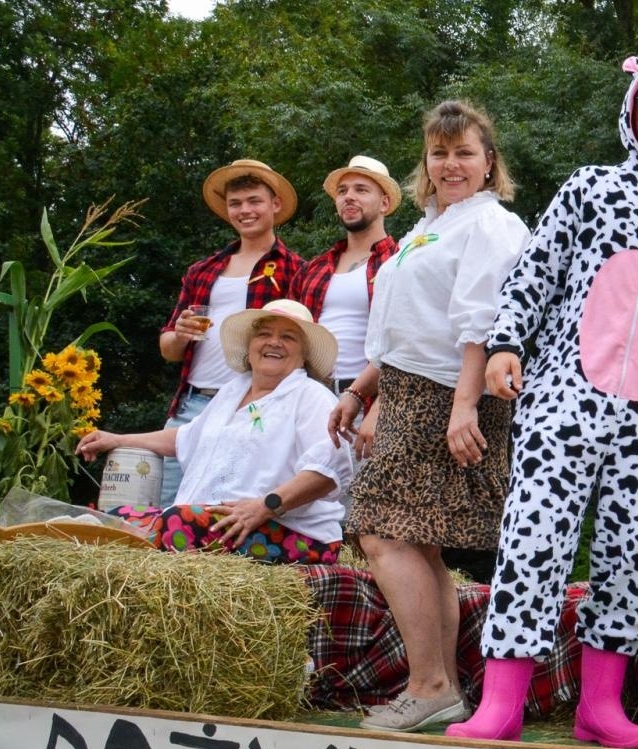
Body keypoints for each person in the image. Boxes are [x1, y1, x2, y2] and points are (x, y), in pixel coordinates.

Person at [447, 56, 638, 748]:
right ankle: (501, 704)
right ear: (632, 111)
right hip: (565, 395)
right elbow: (534, 270)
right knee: (533, 542)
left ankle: (601, 705)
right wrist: (508, 342)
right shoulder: (589, 189)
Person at [330, 101, 530, 733]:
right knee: (414, 541)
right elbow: (403, 329)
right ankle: (438, 684)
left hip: (447, 392)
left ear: (488, 161)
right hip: (410, 390)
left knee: (380, 531)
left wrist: (464, 405)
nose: (450, 164)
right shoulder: (430, 226)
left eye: (464, 152)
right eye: (439, 153)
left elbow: (482, 323)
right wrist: (364, 389)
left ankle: (430, 683)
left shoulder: (490, 226)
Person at [78, 300, 351, 563]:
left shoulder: (312, 396)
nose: (274, 342)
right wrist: (115, 439)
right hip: (209, 519)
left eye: (288, 337)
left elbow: (328, 471)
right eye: (264, 334)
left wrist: (264, 506)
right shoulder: (233, 391)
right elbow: (186, 438)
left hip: (293, 532)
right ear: (250, 346)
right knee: (114, 519)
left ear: (304, 355)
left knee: (177, 524)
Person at [158, 160, 304, 506]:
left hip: (253, 409)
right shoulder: (203, 270)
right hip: (192, 404)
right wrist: (179, 335)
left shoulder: (296, 270)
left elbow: (304, 348)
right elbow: (167, 349)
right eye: (236, 203)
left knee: (230, 515)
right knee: (169, 510)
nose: (245, 210)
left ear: (275, 204)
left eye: (254, 200)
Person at [292, 155, 401, 397]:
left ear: (384, 203)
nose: (348, 196)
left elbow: (408, 343)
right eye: (342, 191)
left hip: (372, 398)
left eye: (361, 189)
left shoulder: (401, 262)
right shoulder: (313, 269)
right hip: (309, 394)